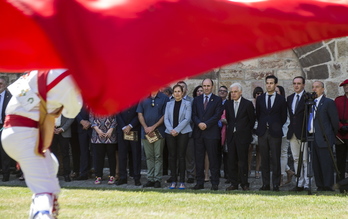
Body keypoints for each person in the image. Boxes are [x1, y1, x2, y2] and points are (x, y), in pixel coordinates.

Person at [1, 69, 82, 218]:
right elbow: (71, 112)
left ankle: (38, 209)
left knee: (52, 165)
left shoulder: (38, 69)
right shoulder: (68, 77)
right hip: (25, 133)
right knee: (46, 191)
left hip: (14, 131)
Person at [256, 75, 287, 191]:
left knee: (275, 159)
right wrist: (264, 124)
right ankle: (265, 184)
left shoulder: (281, 99)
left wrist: (275, 125)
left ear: (275, 85)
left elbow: (283, 116)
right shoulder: (260, 98)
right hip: (263, 132)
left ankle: (275, 184)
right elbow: (258, 115)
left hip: (275, 132)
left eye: (271, 83)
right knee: (264, 159)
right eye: (267, 83)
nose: (269, 85)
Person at [191, 78, 223, 190]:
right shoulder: (196, 100)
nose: (206, 88)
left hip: (211, 133)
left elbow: (217, 115)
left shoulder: (217, 100)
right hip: (199, 133)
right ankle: (199, 182)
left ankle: (214, 183)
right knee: (199, 159)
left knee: (213, 159)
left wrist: (206, 124)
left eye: (208, 86)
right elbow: (193, 115)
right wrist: (199, 123)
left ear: (212, 87)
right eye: (204, 86)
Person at [225, 83, 255, 191]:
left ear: (240, 92)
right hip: (231, 136)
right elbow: (229, 119)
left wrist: (245, 131)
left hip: (243, 137)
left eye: (235, 92)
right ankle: (234, 183)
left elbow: (251, 120)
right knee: (231, 160)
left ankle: (244, 183)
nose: (233, 94)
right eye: (231, 92)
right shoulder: (228, 104)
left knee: (243, 161)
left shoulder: (247, 104)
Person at [310, 81, 339, 191]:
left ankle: (328, 185)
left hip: (324, 138)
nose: (314, 89)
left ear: (322, 89)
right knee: (316, 164)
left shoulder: (328, 102)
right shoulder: (310, 103)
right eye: (313, 87)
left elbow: (334, 121)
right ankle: (320, 185)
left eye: (317, 87)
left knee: (326, 163)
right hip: (313, 138)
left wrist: (330, 134)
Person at [137, 91, 169, 188]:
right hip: (146, 132)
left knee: (158, 156)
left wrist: (153, 127)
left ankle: (157, 179)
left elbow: (165, 115)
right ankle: (150, 178)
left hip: (159, 132)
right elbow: (140, 113)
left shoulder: (164, 98)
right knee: (149, 156)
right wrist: (146, 127)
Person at [164, 84, 192, 189]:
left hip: (183, 133)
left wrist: (177, 130)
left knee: (181, 156)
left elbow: (187, 119)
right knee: (172, 156)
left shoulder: (187, 104)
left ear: (182, 92)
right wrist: (171, 130)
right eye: (175, 91)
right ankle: (173, 180)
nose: (177, 93)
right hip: (170, 133)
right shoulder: (169, 104)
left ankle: (181, 181)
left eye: (179, 91)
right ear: (173, 93)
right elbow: (166, 118)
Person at [287, 76, 308, 191]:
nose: (296, 85)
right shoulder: (290, 98)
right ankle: (299, 183)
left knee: (305, 159)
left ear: (303, 85)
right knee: (296, 158)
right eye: (294, 83)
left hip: (303, 132)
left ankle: (307, 183)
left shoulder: (307, 97)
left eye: (299, 83)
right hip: (293, 132)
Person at [116, 103, 142, 186]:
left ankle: (136, 177)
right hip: (122, 131)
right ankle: (123, 177)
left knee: (136, 154)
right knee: (122, 155)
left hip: (134, 130)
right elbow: (117, 113)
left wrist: (130, 126)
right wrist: (124, 127)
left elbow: (139, 114)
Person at [89, 113, 118, 185]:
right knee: (98, 157)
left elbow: (116, 117)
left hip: (110, 135)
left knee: (111, 156)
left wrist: (111, 129)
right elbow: (91, 118)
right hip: (97, 135)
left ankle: (112, 176)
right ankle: (98, 176)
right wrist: (98, 130)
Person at [177, 81, 195, 184]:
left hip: (188, 132)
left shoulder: (192, 101)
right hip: (175, 133)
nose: (181, 89)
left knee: (189, 156)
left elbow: (192, 116)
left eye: (183, 87)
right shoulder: (172, 101)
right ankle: (176, 175)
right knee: (176, 155)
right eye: (179, 88)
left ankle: (190, 175)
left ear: (186, 89)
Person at [275, 85, 294, 187]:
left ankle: (281, 177)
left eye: (277, 92)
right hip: (274, 132)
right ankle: (288, 171)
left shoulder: (285, 103)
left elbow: (287, 119)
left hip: (284, 131)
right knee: (276, 154)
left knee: (282, 153)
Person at [50, 115, 74, 182]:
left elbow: (71, 117)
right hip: (52, 132)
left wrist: (63, 128)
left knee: (65, 153)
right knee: (52, 155)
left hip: (64, 132)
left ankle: (66, 175)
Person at [75, 105, 93, 180]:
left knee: (95, 151)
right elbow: (75, 111)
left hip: (94, 129)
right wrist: (82, 121)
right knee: (83, 151)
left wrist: (90, 123)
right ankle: (84, 173)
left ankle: (96, 172)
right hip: (81, 128)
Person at [335, 79, 348, 182]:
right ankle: (340, 184)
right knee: (340, 161)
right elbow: (334, 116)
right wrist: (340, 127)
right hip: (340, 135)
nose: (346, 87)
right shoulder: (338, 100)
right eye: (345, 86)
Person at [248, 87, 263, 179]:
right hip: (251, 129)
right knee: (249, 150)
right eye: (257, 93)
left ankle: (257, 170)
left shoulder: (263, 103)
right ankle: (248, 169)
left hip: (260, 129)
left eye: (261, 93)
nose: (259, 95)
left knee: (259, 151)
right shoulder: (251, 103)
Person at [0, 76, 12, 182]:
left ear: (5, 85)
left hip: (5, 127)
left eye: (1, 84)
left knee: (4, 152)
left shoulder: (10, 97)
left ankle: (6, 175)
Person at [218, 85, 229, 181]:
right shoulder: (215, 102)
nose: (222, 92)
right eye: (220, 91)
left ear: (227, 93)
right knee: (215, 153)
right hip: (215, 131)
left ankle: (227, 173)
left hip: (226, 131)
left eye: (224, 91)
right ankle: (216, 173)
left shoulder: (229, 103)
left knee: (226, 154)